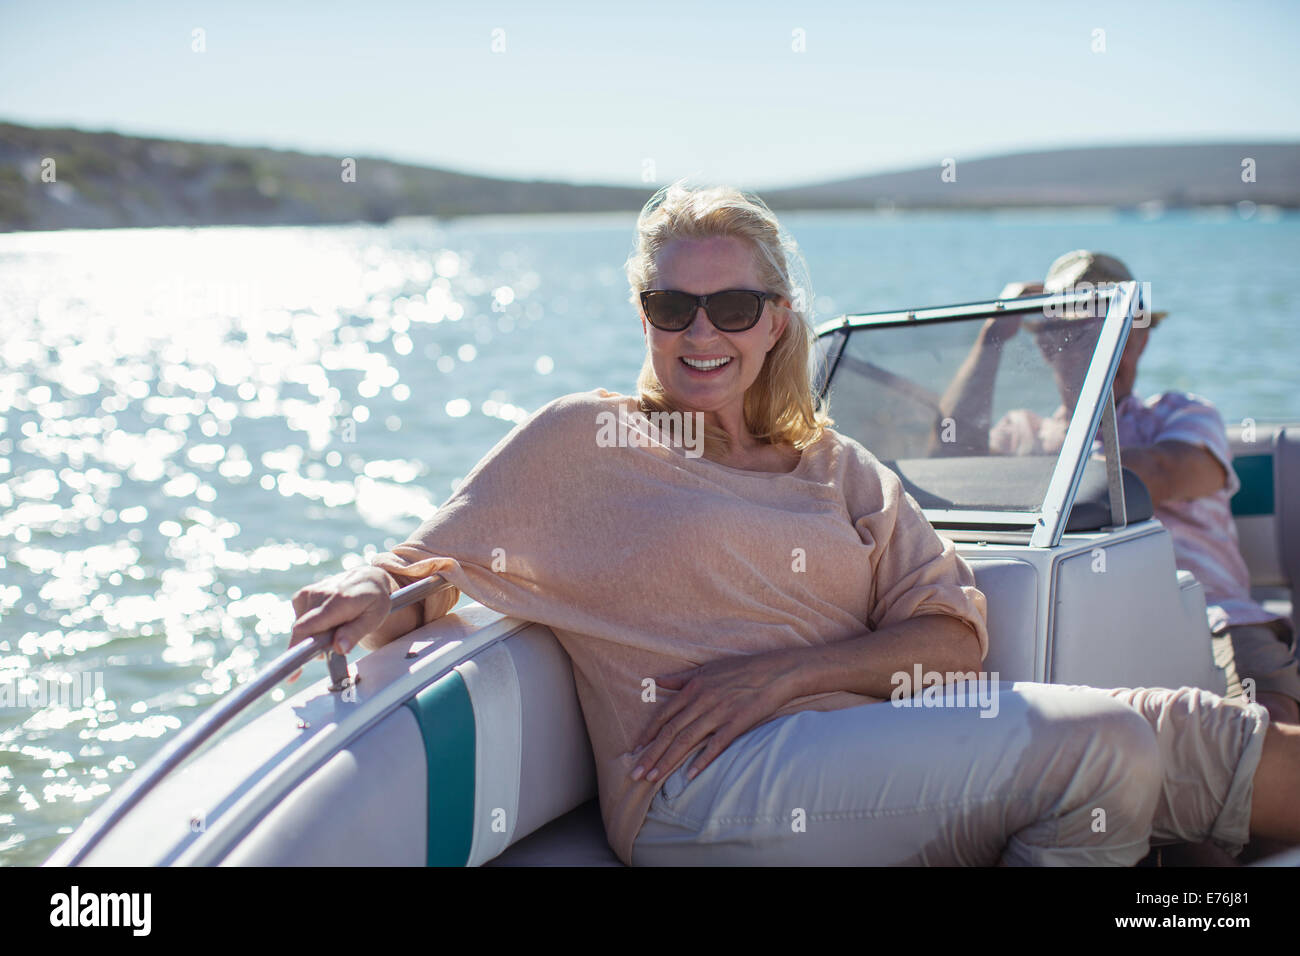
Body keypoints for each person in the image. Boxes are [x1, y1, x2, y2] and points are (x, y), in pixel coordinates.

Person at [286, 185, 1299, 866]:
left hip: (844, 728)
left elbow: (952, 630)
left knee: (1185, 727)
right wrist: (371, 594)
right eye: (671, 304)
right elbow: (426, 561)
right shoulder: (586, 440)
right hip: (699, 782)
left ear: (777, 319)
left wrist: (785, 673)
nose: (700, 331)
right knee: (1103, 745)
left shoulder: (835, 463)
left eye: (732, 304)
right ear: (643, 315)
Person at [936, 251, 1300, 729]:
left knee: (1270, 729)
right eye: (1086, 333)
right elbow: (944, 466)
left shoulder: (1179, 414)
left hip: (1212, 618)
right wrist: (993, 337)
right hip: (1064, 625)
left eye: (1124, 331)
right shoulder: (1021, 432)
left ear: (1143, 341)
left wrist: (1028, 476)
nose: (1114, 348)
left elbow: (1170, 471)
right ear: (1048, 346)